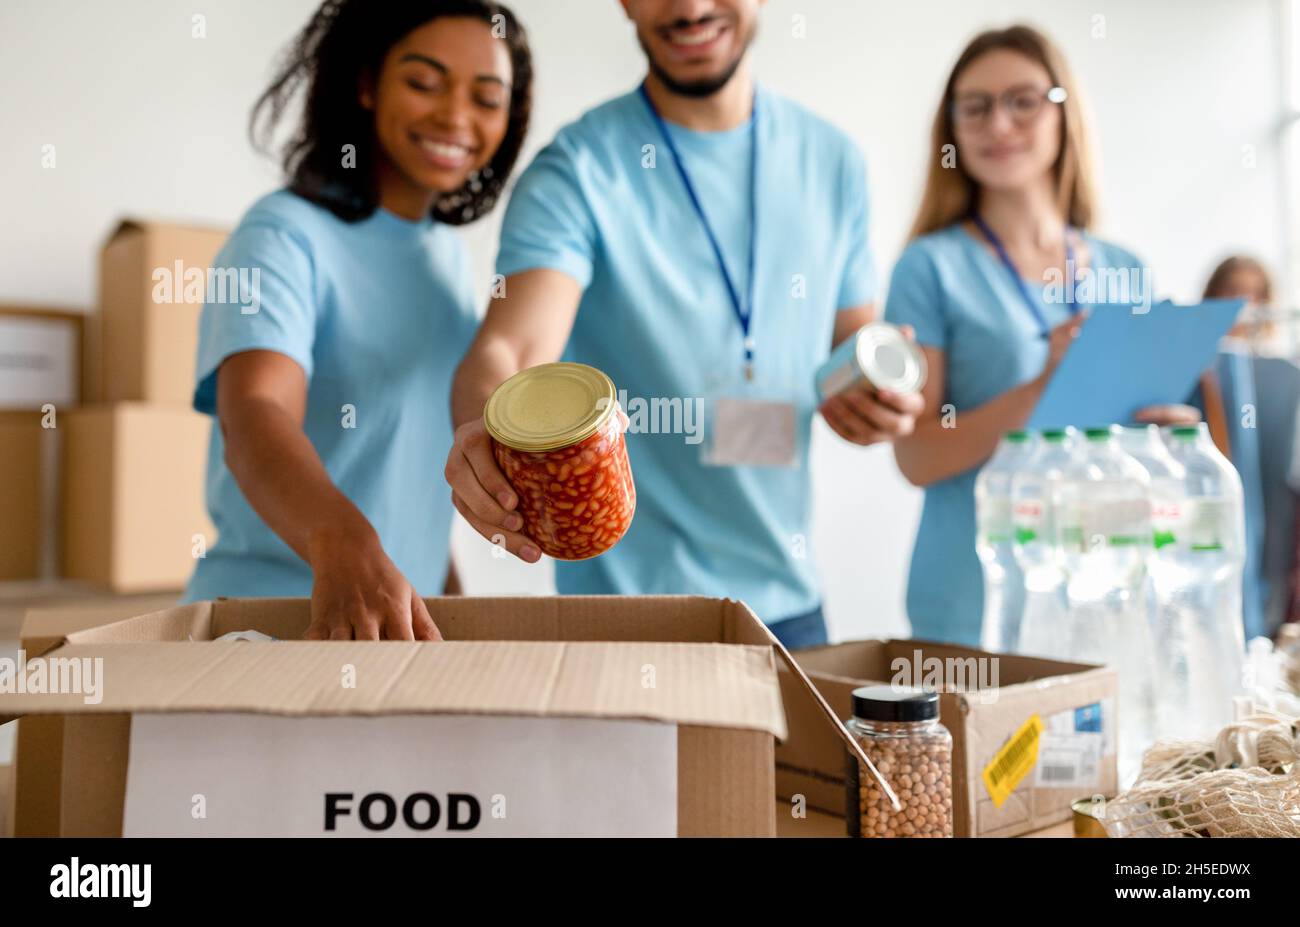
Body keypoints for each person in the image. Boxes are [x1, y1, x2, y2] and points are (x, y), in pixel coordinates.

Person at [442, 0, 922, 649]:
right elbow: (511, 348)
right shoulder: (579, 170)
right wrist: (483, 426)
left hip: (790, 607)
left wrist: (879, 400)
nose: (691, 8)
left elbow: (852, 342)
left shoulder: (833, 161)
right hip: (623, 621)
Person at [181, 0, 533, 643]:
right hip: (269, 627)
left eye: (486, 97)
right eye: (424, 82)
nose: (455, 116)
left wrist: (445, 595)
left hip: (392, 631)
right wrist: (344, 543)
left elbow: (403, 469)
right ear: (367, 84)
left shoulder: (446, 261)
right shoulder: (283, 234)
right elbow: (255, 411)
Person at [884, 24, 1195, 646]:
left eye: (1023, 101)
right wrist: (1041, 390)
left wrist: (1169, 437)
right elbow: (915, 455)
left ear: (1064, 112)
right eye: (975, 106)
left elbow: (1139, 452)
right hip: (973, 603)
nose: (999, 125)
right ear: (952, 127)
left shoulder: (1126, 270)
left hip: (1105, 592)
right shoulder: (930, 268)